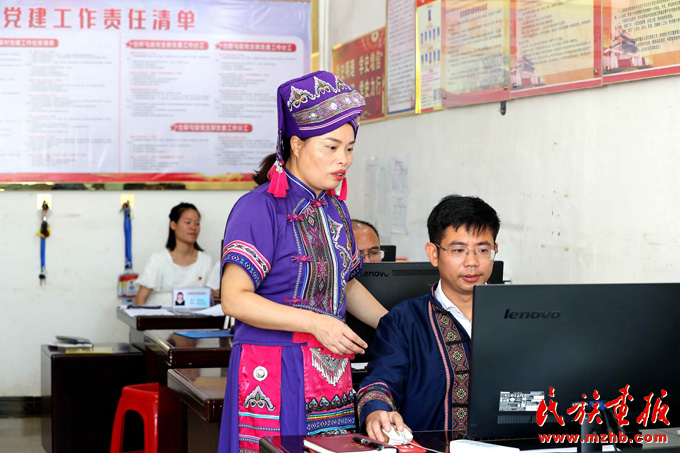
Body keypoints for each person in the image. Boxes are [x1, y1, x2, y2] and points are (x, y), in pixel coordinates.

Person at [218, 71, 388, 453]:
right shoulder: (259, 207)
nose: (343, 159)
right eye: (330, 147)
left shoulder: (334, 208)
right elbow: (235, 298)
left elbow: (344, 284)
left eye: (349, 148)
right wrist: (317, 323)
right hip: (274, 367)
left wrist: (394, 325)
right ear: (296, 144)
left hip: (329, 369)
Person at [356, 195, 500, 439]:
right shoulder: (404, 320)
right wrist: (376, 411)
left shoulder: (516, 314)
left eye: (483, 250)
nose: (472, 262)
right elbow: (381, 381)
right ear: (434, 254)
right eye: (458, 250)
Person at [133, 203, 214, 306]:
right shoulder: (158, 260)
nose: (193, 227)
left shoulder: (206, 261)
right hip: (160, 321)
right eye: (188, 222)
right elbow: (139, 301)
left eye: (197, 223)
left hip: (196, 321)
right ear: (173, 225)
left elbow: (212, 301)